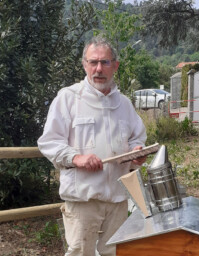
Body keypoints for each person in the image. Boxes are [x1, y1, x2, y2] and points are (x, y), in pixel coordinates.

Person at [37, 35, 147, 256]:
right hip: (83, 198)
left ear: (115, 66)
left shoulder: (124, 104)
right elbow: (49, 142)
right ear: (84, 65)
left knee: (113, 252)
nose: (98, 68)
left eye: (104, 62)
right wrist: (77, 158)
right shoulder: (68, 98)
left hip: (117, 197)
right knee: (80, 252)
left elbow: (137, 138)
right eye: (93, 62)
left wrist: (137, 153)